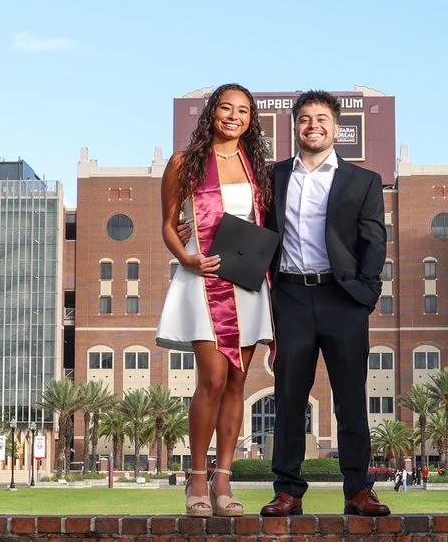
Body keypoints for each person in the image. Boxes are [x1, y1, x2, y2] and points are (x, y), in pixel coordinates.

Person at [260, 91, 390, 518]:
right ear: (294, 126)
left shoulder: (363, 180)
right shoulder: (273, 176)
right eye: (304, 119)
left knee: (350, 398)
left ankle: (357, 490)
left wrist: (365, 294)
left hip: (343, 299)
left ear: (336, 128)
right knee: (289, 397)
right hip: (291, 297)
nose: (312, 125)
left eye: (321, 119)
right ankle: (288, 491)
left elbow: (374, 240)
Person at [158, 82, 274, 517]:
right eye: (226, 108)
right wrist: (185, 258)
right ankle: (197, 478)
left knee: (239, 382)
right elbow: (169, 224)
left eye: (243, 111)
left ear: (251, 120)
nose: (233, 116)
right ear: (211, 112)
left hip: (247, 282)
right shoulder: (184, 163)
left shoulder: (257, 167)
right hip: (203, 279)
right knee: (211, 377)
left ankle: (224, 480)